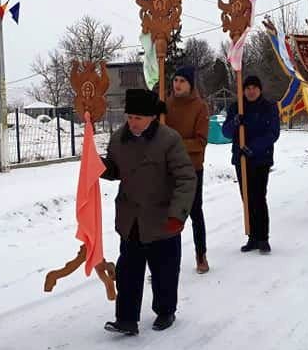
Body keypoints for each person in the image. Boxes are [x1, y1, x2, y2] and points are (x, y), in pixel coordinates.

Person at [101, 89, 196, 335]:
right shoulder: (119, 138)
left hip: (162, 219)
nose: (132, 122)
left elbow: (186, 178)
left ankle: (165, 311)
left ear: (152, 117)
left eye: (138, 118)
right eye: (129, 117)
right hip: (130, 219)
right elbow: (115, 170)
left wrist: (178, 214)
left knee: (164, 272)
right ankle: (126, 319)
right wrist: (100, 166)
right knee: (127, 273)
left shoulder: (169, 140)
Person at [222, 75, 281, 252]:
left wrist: (252, 148)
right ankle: (252, 237)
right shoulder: (237, 107)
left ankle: (263, 238)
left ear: (260, 89)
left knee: (259, 196)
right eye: (248, 88)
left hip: (260, 158)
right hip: (241, 159)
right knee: (246, 197)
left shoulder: (268, 107)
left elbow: (273, 133)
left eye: (254, 87)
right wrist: (235, 122)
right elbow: (225, 131)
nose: (251, 91)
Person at [165, 66, 211, 274]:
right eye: (175, 80)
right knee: (167, 215)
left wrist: (173, 144)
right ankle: (164, 261)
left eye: (182, 81)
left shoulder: (200, 107)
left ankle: (201, 254)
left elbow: (200, 142)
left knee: (194, 213)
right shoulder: (165, 105)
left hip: (191, 170)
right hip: (168, 169)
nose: (178, 84)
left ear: (190, 84)